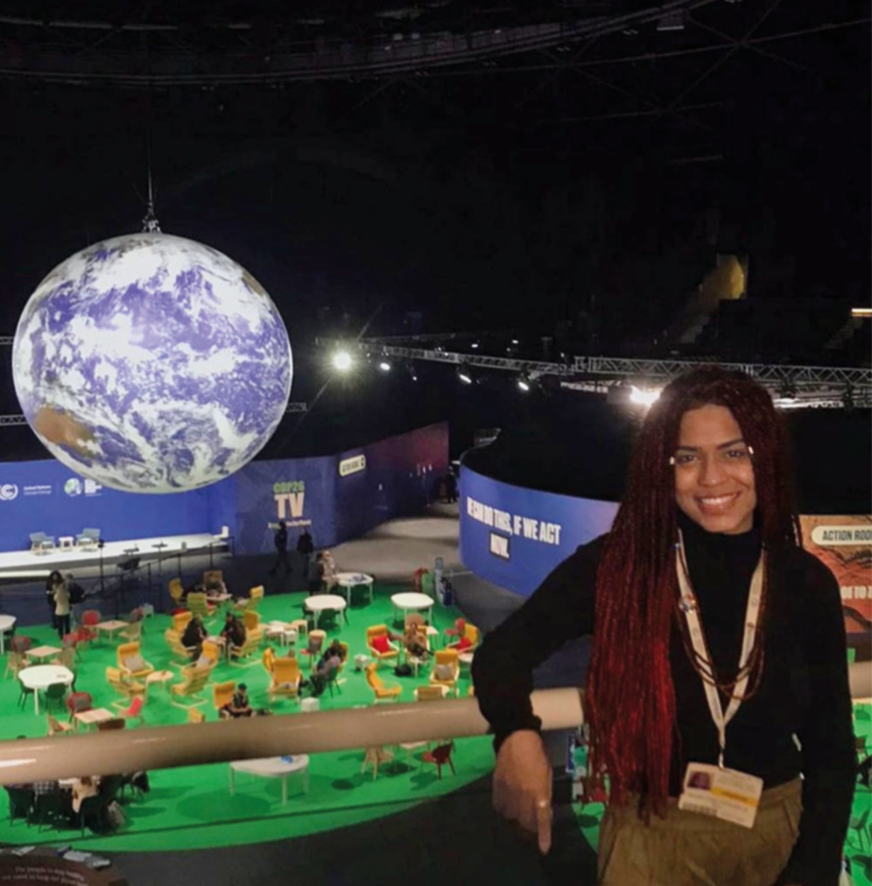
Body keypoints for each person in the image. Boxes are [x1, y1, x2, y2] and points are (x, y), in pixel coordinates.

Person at [472, 367, 855, 886]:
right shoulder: (617, 569)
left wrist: (811, 869)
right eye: (687, 457)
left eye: (734, 452)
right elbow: (502, 653)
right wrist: (516, 734)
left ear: (766, 456)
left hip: (776, 833)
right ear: (661, 468)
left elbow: (831, 749)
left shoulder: (805, 583)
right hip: (650, 834)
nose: (712, 478)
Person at [53, 573, 71, 639]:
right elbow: (69, 596)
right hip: (66, 611)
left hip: (59, 611)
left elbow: (55, 599)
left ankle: (61, 635)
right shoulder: (66, 593)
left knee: (60, 625)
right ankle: (68, 635)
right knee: (67, 625)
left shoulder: (57, 594)